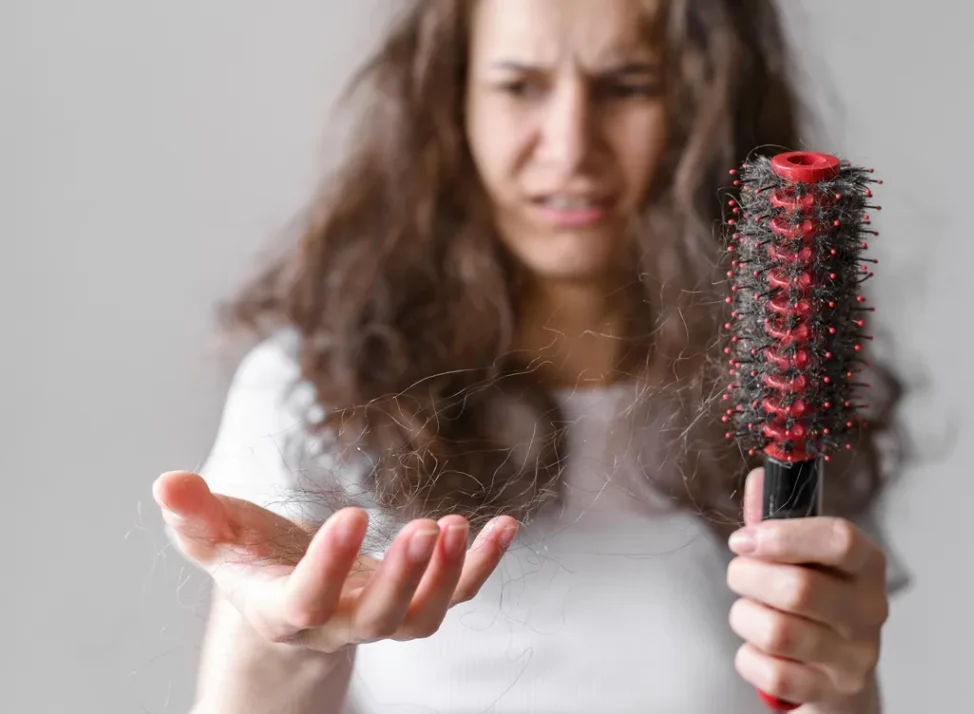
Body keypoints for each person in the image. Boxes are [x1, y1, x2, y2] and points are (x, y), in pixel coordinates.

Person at [154, 0, 909, 712]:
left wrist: (839, 689)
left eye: (627, 86)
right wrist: (293, 639)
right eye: (519, 86)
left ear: (704, 105)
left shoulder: (790, 394)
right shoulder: (312, 393)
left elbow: (815, 686)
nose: (571, 145)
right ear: (453, 104)